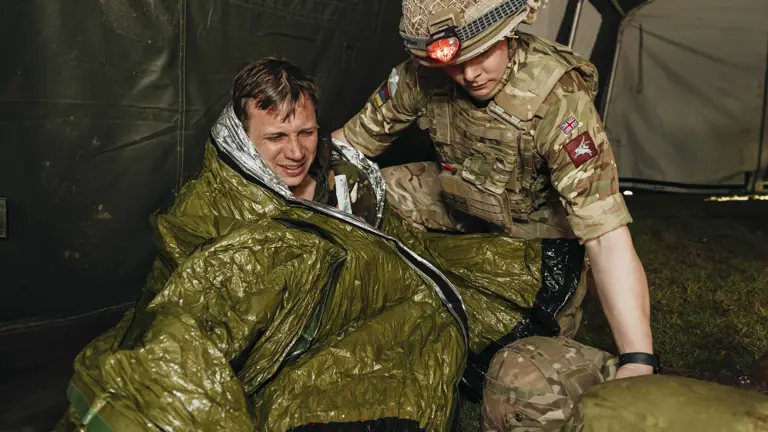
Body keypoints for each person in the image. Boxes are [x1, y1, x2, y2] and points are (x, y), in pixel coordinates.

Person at [55, 57, 471, 431]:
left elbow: (403, 262)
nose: (295, 152)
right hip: (279, 357)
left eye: (306, 132)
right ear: (242, 135)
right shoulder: (207, 205)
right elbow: (188, 299)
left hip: (361, 340)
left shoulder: (349, 184)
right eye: (276, 137)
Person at [331, 0, 656, 429]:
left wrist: (639, 358)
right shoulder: (422, 73)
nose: (469, 74)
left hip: (537, 243)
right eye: (455, 63)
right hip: (467, 205)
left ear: (508, 31)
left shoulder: (556, 98)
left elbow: (605, 234)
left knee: (510, 363)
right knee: (371, 189)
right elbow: (349, 146)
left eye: (481, 53)